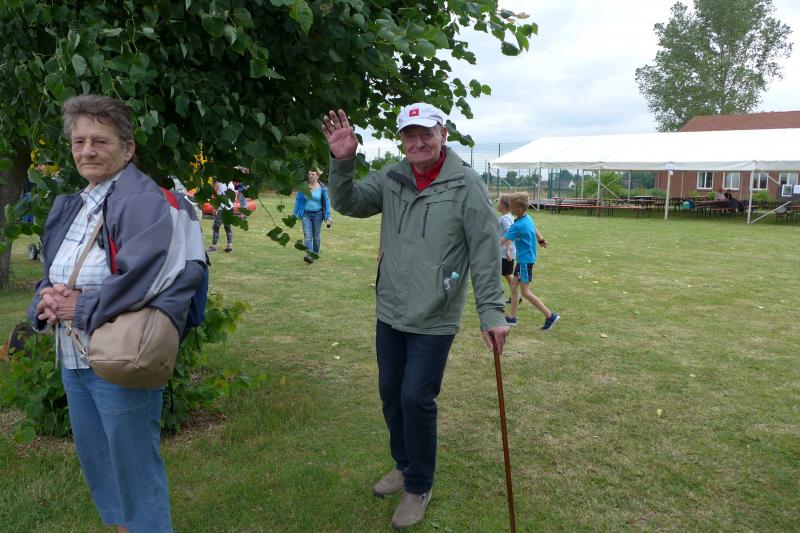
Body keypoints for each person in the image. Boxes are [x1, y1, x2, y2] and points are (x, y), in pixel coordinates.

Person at [322, 103, 510, 529]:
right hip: (390, 309)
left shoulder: (467, 184)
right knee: (391, 394)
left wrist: (492, 314)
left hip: (434, 314)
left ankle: (419, 485)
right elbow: (349, 202)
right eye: (410, 135)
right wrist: (342, 161)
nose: (418, 142)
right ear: (402, 141)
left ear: (443, 133)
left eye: (427, 133)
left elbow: (485, 253)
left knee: (415, 398)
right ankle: (404, 465)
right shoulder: (393, 177)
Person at [28, 94, 206, 533]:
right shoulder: (76, 203)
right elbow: (56, 272)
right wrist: (44, 301)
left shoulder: (146, 201)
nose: (87, 150)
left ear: (127, 149)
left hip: (122, 356)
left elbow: (153, 276)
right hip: (75, 357)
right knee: (102, 465)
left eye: (100, 141)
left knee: (134, 473)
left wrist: (80, 305)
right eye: (79, 141)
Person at [502, 191, 560, 331]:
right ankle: (512, 318)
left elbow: (502, 240)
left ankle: (550, 316)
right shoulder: (527, 218)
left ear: (519, 209)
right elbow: (534, 229)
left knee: (526, 292)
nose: (509, 208)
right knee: (514, 286)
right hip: (524, 260)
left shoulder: (517, 226)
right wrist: (541, 240)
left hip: (524, 262)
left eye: (511, 206)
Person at [292, 169, 333, 263]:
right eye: (309, 174)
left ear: (318, 176)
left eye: (313, 174)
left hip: (318, 215)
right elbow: (298, 200)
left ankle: (315, 253)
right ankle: (309, 255)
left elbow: (326, 202)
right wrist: (294, 214)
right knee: (308, 236)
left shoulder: (322, 188)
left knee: (316, 237)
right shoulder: (304, 186)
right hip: (305, 214)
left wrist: (328, 216)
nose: (310, 176)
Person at [497, 194, 520, 304]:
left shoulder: (505, 219)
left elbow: (509, 233)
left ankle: (516, 295)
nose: (497, 204)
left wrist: (506, 251)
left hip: (505, 253)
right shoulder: (509, 217)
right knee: (507, 274)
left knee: (503, 274)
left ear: (503, 205)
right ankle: (516, 295)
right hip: (508, 251)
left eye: (499, 202)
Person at [208, 178, 234, 253]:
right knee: (227, 227)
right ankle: (229, 246)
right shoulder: (230, 183)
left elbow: (220, 197)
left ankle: (213, 247)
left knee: (216, 227)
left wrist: (215, 208)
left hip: (222, 208)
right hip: (230, 207)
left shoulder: (221, 184)